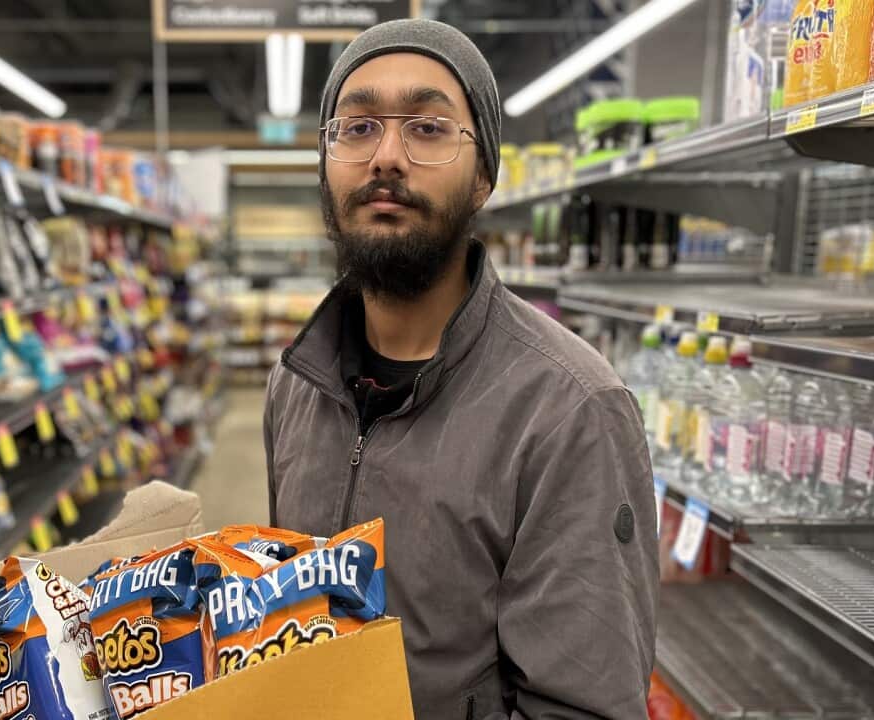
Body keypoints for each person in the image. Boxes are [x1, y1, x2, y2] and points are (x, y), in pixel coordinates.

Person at [262, 19, 659, 719]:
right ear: (326, 162)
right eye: (356, 127)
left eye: (427, 127)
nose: (386, 155)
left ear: (483, 178)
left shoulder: (568, 409)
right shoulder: (295, 383)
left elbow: (583, 707)